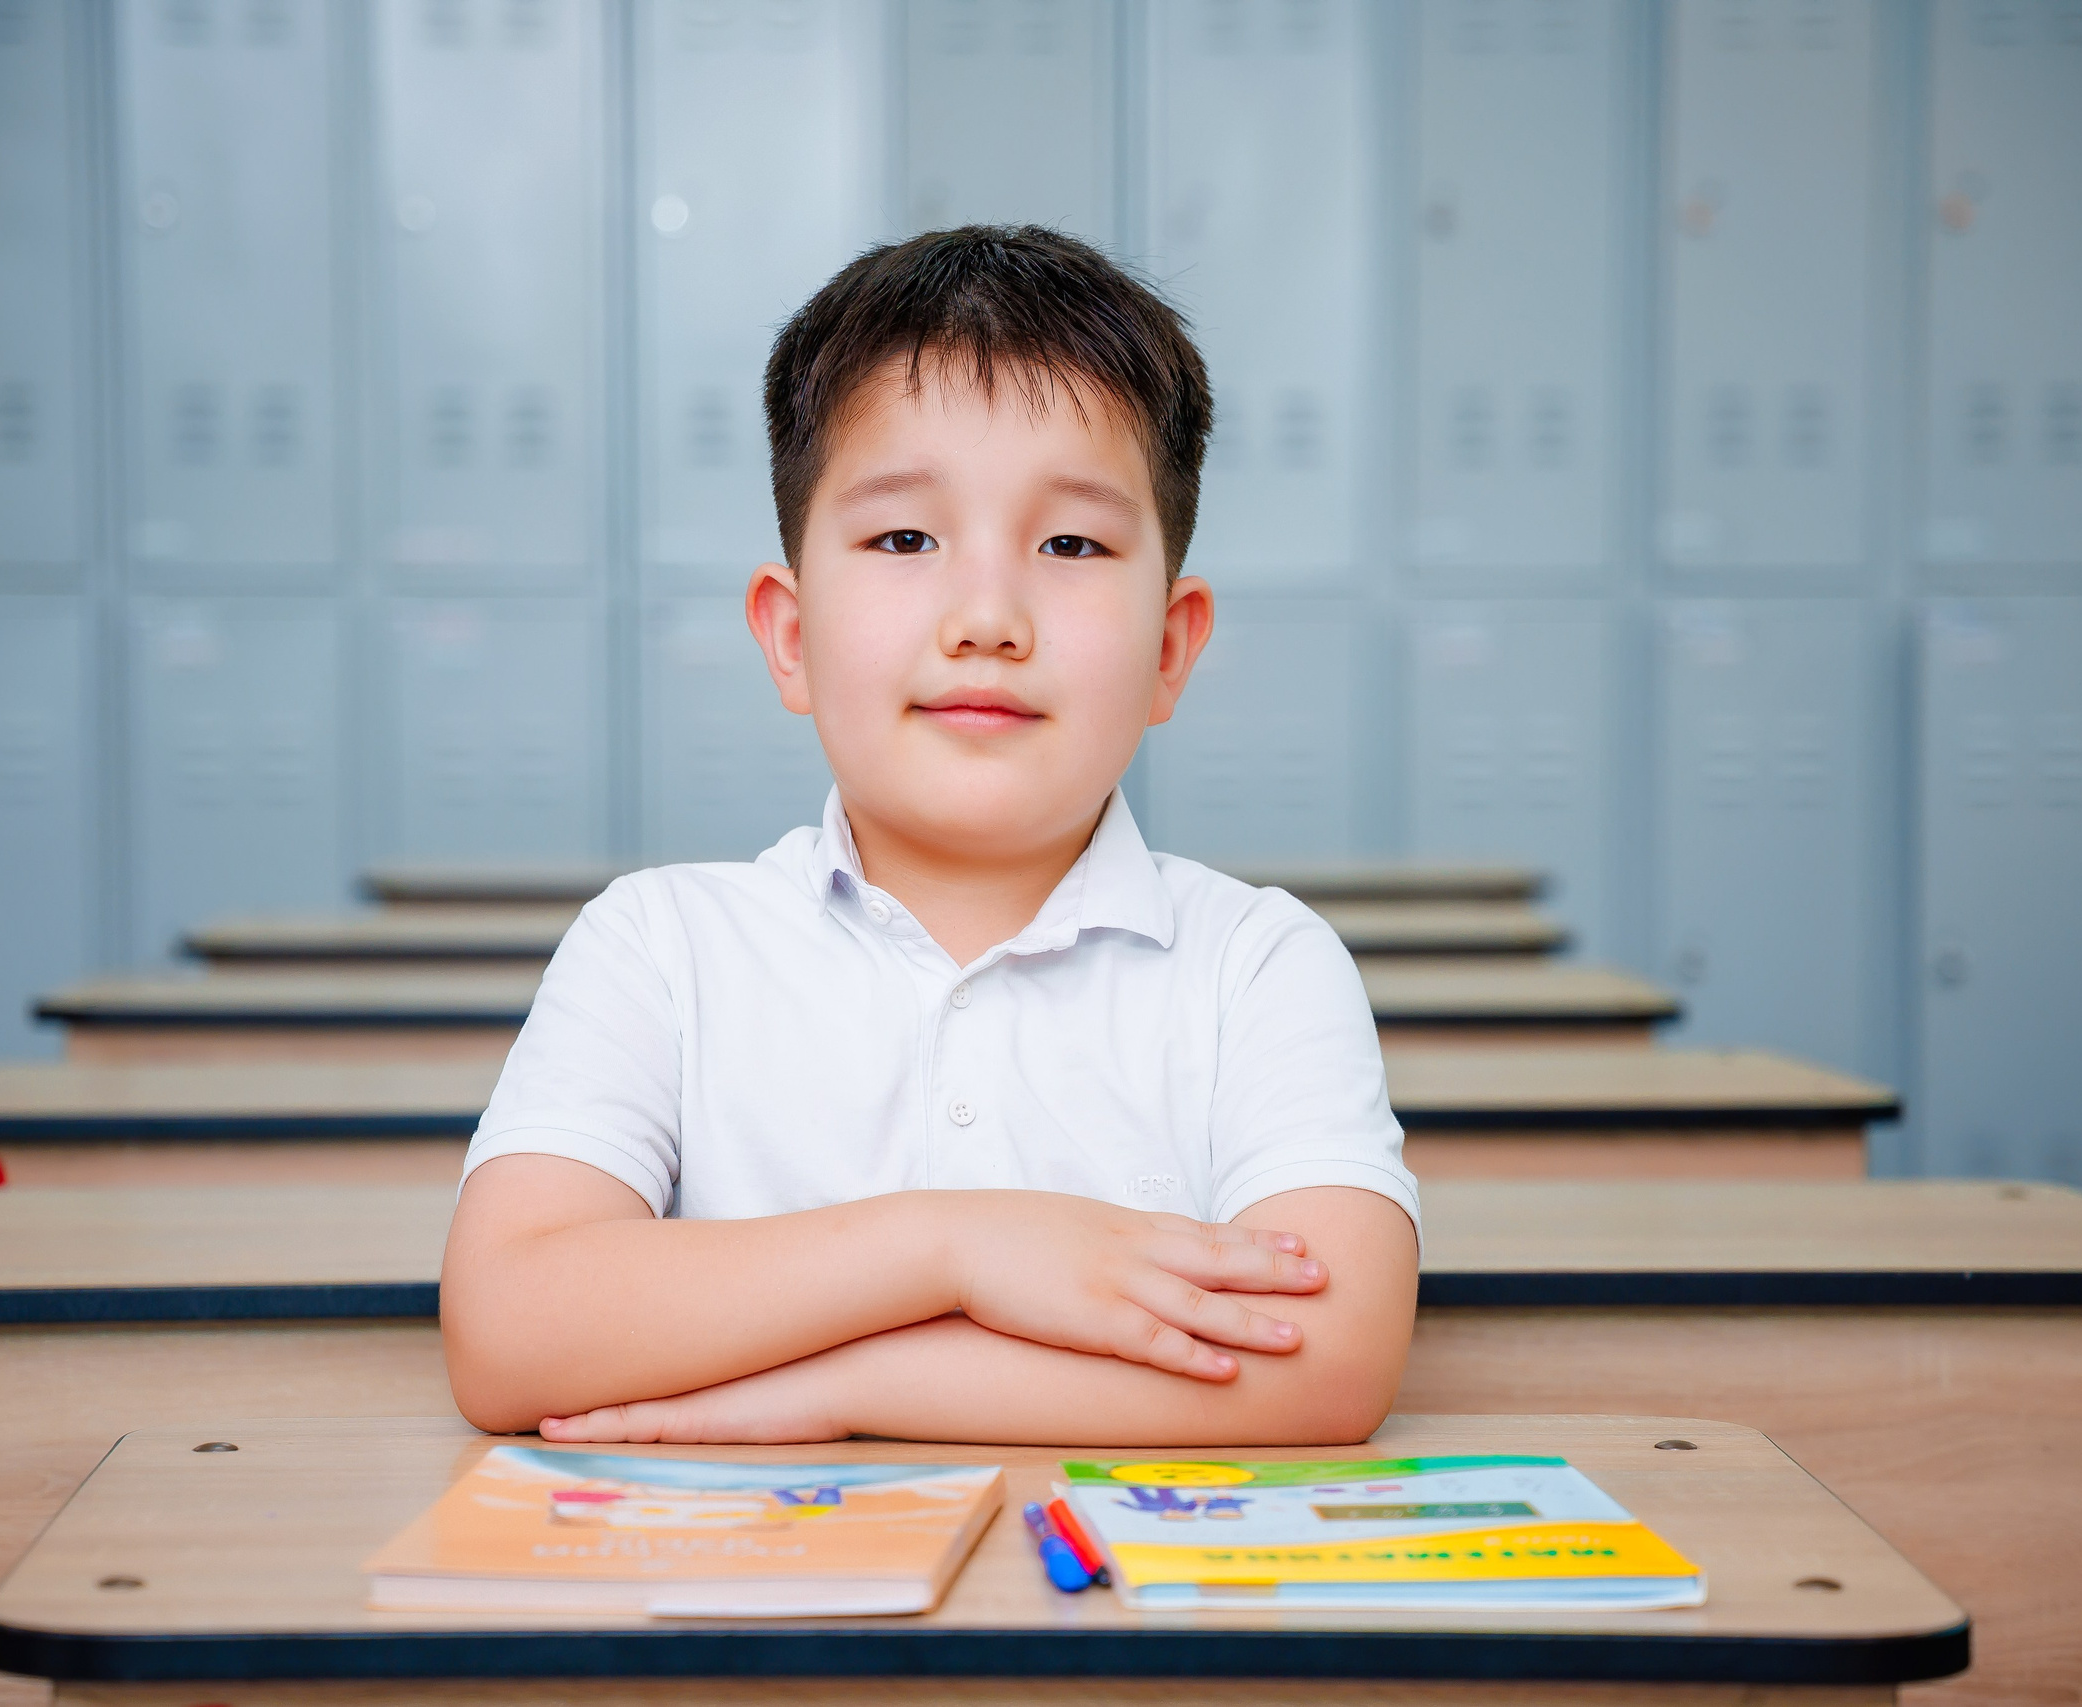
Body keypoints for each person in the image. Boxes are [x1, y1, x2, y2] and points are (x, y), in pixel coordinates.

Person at [442, 226, 1419, 1446]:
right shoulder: (660, 947)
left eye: (1071, 544)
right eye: (905, 539)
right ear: (788, 635)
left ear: (1170, 648)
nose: (987, 617)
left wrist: (840, 1389)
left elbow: (1326, 1364)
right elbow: (507, 1332)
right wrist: (956, 1246)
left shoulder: (1259, 965)